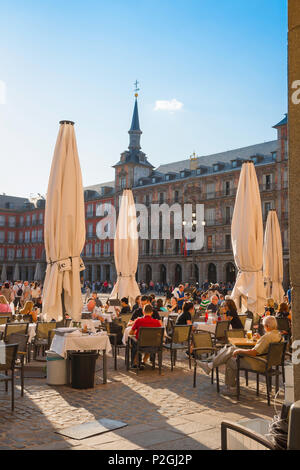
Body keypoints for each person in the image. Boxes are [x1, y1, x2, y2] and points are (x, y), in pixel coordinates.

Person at [197, 316, 282, 396]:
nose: (263, 328)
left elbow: (254, 352)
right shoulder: (278, 335)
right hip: (267, 362)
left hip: (259, 363)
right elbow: (266, 347)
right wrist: (260, 339)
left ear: (267, 326)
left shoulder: (267, 337)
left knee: (230, 358)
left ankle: (231, 388)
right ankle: (211, 365)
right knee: (231, 349)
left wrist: (240, 350)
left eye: (263, 326)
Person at [129, 304, 162, 368]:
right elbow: (159, 334)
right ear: (152, 313)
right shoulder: (156, 322)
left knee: (134, 341)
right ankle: (143, 361)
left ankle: (135, 362)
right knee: (150, 340)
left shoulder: (138, 320)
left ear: (143, 312)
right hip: (153, 345)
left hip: (140, 345)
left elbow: (131, 332)